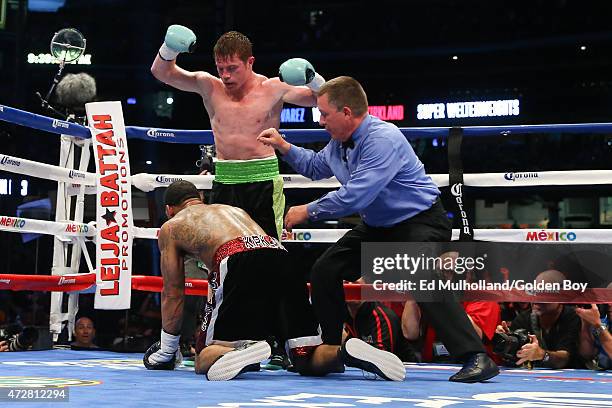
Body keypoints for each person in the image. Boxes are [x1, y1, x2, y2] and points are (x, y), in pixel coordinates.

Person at [257, 76, 499, 383]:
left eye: (324, 114)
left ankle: (476, 356)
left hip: (420, 220)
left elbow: (357, 194)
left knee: (418, 273)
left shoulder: (383, 138)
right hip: (379, 225)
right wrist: (284, 146)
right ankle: (330, 348)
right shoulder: (339, 143)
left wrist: (307, 211)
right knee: (325, 269)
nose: (320, 121)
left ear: (346, 112)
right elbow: (316, 167)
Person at [143, 181, 406, 382]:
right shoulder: (232, 210)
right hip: (281, 255)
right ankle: (344, 351)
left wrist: (167, 351)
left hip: (237, 258)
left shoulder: (172, 226)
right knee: (305, 358)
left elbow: (173, 293)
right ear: (200, 199)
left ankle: (243, 348)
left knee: (205, 360)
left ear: (169, 210)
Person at [151, 27, 324, 240]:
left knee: (267, 247)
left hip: (263, 179)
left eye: (232, 68)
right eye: (220, 68)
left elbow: (319, 99)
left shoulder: (274, 87)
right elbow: (162, 72)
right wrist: (169, 48)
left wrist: (312, 78)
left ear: (250, 62)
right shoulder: (209, 85)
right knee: (224, 249)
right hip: (226, 178)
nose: (225, 75)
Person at [495, 270, 580, 368]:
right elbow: (515, 359)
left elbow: (565, 359)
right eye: (535, 292)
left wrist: (542, 355)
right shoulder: (523, 319)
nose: (536, 299)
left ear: (561, 296)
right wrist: (509, 342)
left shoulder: (572, 317)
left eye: (544, 293)